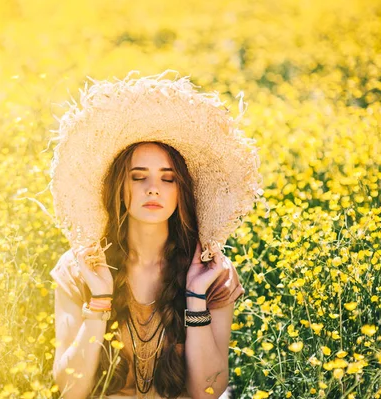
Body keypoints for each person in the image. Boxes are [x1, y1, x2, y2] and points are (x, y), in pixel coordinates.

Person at [48, 70, 267, 399]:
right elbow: (70, 389)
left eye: (168, 179)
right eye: (139, 177)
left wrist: (195, 295)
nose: (153, 189)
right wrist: (99, 299)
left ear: (183, 191)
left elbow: (207, 392)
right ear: (118, 188)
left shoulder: (212, 273)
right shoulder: (79, 269)